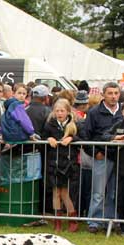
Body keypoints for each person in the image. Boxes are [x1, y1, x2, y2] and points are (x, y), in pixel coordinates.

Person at [79, 81, 122, 233]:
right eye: (110, 93)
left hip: (121, 157)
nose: (113, 96)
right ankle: (94, 222)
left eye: (116, 93)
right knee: (98, 192)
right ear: (103, 94)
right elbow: (85, 134)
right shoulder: (94, 112)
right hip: (102, 156)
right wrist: (94, 152)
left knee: (113, 192)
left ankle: (110, 220)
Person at [44, 98, 80, 232]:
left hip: (68, 163)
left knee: (64, 192)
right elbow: (43, 135)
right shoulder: (50, 124)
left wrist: (72, 138)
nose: (59, 113)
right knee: (56, 192)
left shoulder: (74, 124)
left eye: (62, 111)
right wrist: (49, 138)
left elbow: (82, 136)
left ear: (68, 111)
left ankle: (72, 218)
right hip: (54, 162)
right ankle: (57, 222)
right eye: (57, 111)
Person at [104, 99, 124, 234]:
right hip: (120, 169)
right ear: (122, 113)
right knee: (119, 198)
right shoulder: (118, 125)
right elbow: (105, 136)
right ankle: (123, 226)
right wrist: (118, 137)